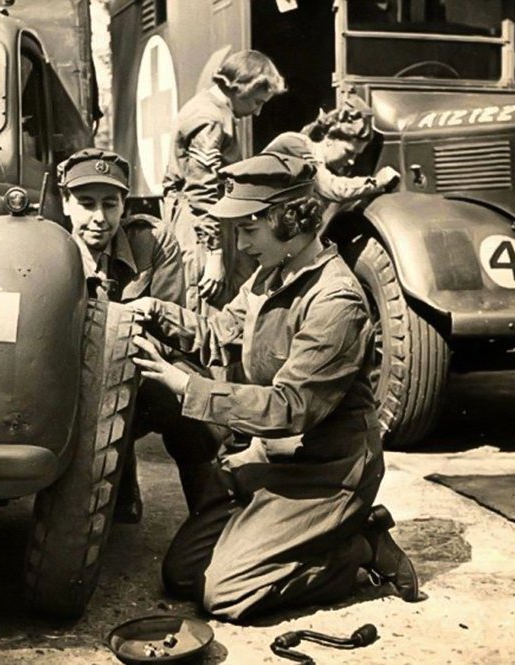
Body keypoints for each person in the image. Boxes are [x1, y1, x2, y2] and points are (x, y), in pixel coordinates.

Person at [130, 152, 422, 621]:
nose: (241, 245)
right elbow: (220, 332)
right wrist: (156, 312)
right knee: (183, 575)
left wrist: (188, 387)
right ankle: (277, 536)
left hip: (328, 472)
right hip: (275, 460)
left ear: (289, 220)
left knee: (225, 595)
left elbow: (291, 408)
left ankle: (359, 548)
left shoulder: (336, 300)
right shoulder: (270, 276)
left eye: (249, 229)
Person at [57, 148, 227, 520]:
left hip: (139, 365)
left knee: (190, 409)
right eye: (86, 203)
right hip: (71, 379)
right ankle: (117, 490)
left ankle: (212, 526)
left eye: (110, 204)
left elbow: (168, 329)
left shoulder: (150, 239)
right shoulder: (51, 249)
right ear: (65, 203)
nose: (99, 218)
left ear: (123, 205)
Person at [163, 49, 286, 313]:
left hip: (212, 223)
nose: (258, 111)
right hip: (200, 227)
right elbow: (202, 191)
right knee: (205, 303)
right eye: (256, 102)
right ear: (237, 88)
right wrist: (215, 255)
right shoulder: (209, 119)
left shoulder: (213, 110)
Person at [264, 97, 400, 212]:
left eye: (356, 156)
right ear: (329, 139)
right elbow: (329, 188)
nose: (352, 161)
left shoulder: (326, 169)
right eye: (348, 152)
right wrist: (376, 182)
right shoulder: (295, 143)